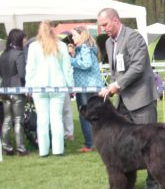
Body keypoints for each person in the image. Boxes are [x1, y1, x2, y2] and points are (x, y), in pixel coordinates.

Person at [97, 7, 159, 189]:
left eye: (105, 24)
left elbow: (138, 67)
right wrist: (112, 85)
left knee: (149, 141)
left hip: (141, 99)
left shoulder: (134, 38)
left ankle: (154, 180)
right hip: (123, 100)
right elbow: (116, 71)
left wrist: (117, 85)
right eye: (101, 26)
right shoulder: (109, 43)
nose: (104, 29)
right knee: (121, 142)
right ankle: (124, 181)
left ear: (115, 20)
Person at [25, 21, 74, 157]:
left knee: (42, 120)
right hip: (58, 86)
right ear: (53, 30)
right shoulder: (61, 46)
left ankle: (43, 151)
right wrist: (70, 86)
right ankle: (58, 150)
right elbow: (67, 69)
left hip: (38, 87)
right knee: (57, 119)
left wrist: (28, 86)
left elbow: (30, 68)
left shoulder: (33, 46)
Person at [68, 25, 103, 152]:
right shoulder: (89, 47)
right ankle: (97, 142)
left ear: (81, 35)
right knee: (95, 116)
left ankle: (90, 144)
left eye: (74, 35)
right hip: (93, 85)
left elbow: (86, 64)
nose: (72, 38)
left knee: (85, 115)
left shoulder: (84, 47)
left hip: (85, 87)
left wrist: (70, 60)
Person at [0, 29, 28, 156]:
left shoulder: (3, 54)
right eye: (24, 38)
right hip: (16, 90)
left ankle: (6, 147)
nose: (25, 41)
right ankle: (21, 148)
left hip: (4, 89)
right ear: (19, 39)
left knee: (7, 119)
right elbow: (22, 74)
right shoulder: (19, 54)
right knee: (18, 120)